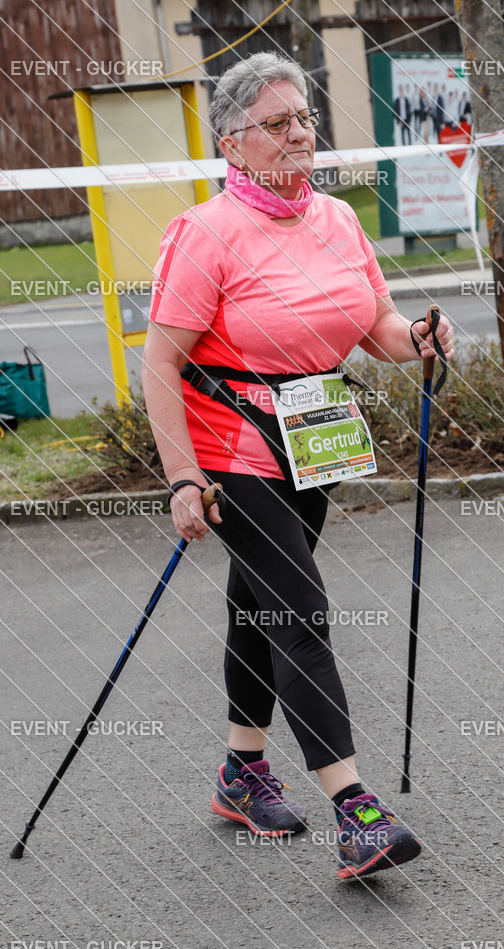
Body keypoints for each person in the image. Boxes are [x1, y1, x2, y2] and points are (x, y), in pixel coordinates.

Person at [142, 51, 454, 880]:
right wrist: (180, 479)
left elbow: (375, 321)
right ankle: (357, 810)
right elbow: (159, 362)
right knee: (300, 610)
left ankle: (242, 771)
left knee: (260, 603)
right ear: (233, 143)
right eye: (277, 124)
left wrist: (413, 342)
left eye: (305, 119)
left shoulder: (338, 219)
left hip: (315, 431)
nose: (298, 136)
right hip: (231, 442)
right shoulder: (205, 233)